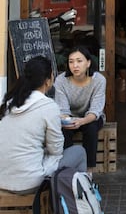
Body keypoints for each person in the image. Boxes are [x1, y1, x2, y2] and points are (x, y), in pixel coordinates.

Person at [0, 56, 87, 194]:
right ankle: (77, 202)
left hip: (3, 180)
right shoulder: (48, 106)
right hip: (29, 182)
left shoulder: (9, 103)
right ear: (48, 80)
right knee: (79, 152)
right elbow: (56, 150)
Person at [54, 46, 106, 173]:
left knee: (91, 128)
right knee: (63, 130)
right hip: (69, 118)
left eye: (79, 61)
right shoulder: (61, 80)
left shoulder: (99, 80)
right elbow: (62, 109)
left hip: (91, 118)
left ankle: (88, 170)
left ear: (88, 63)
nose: (75, 65)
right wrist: (67, 120)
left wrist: (82, 121)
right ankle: (67, 169)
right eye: (71, 62)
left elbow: (96, 110)